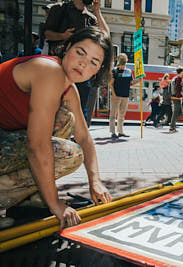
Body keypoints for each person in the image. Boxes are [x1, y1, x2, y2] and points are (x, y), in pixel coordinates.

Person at [0, 27, 113, 229]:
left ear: (98, 70)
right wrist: (56, 205)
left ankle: (31, 199)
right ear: (67, 48)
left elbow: (85, 138)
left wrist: (95, 181)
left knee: (65, 119)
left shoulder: (69, 89)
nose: (83, 63)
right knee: (69, 153)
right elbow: (37, 146)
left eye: (93, 62)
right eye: (80, 52)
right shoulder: (49, 71)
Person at [44, 0, 110, 127]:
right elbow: (47, 33)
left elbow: (105, 36)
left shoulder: (90, 18)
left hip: (80, 75)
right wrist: (63, 36)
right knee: (55, 107)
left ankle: (77, 141)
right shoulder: (59, 9)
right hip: (60, 69)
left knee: (80, 110)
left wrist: (97, 11)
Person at [109, 53, 135, 139]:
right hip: (116, 96)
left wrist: (140, 80)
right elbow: (111, 84)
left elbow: (131, 84)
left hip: (125, 96)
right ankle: (113, 132)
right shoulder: (114, 71)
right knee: (113, 114)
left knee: (121, 115)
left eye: (124, 58)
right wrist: (114, 94)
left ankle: (120, 131)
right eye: (121, 58)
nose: (123, 60)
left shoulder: (129, 71)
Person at [169, 67, 183, 133]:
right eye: (182, 72)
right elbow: (178, 88)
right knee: (176, 112)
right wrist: (181, 96)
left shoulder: (174, 78)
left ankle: (173, 124)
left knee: (179, 112)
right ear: (181, 72)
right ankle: (172, 126)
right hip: (176, 97)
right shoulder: (178, 79)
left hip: (174, 96)